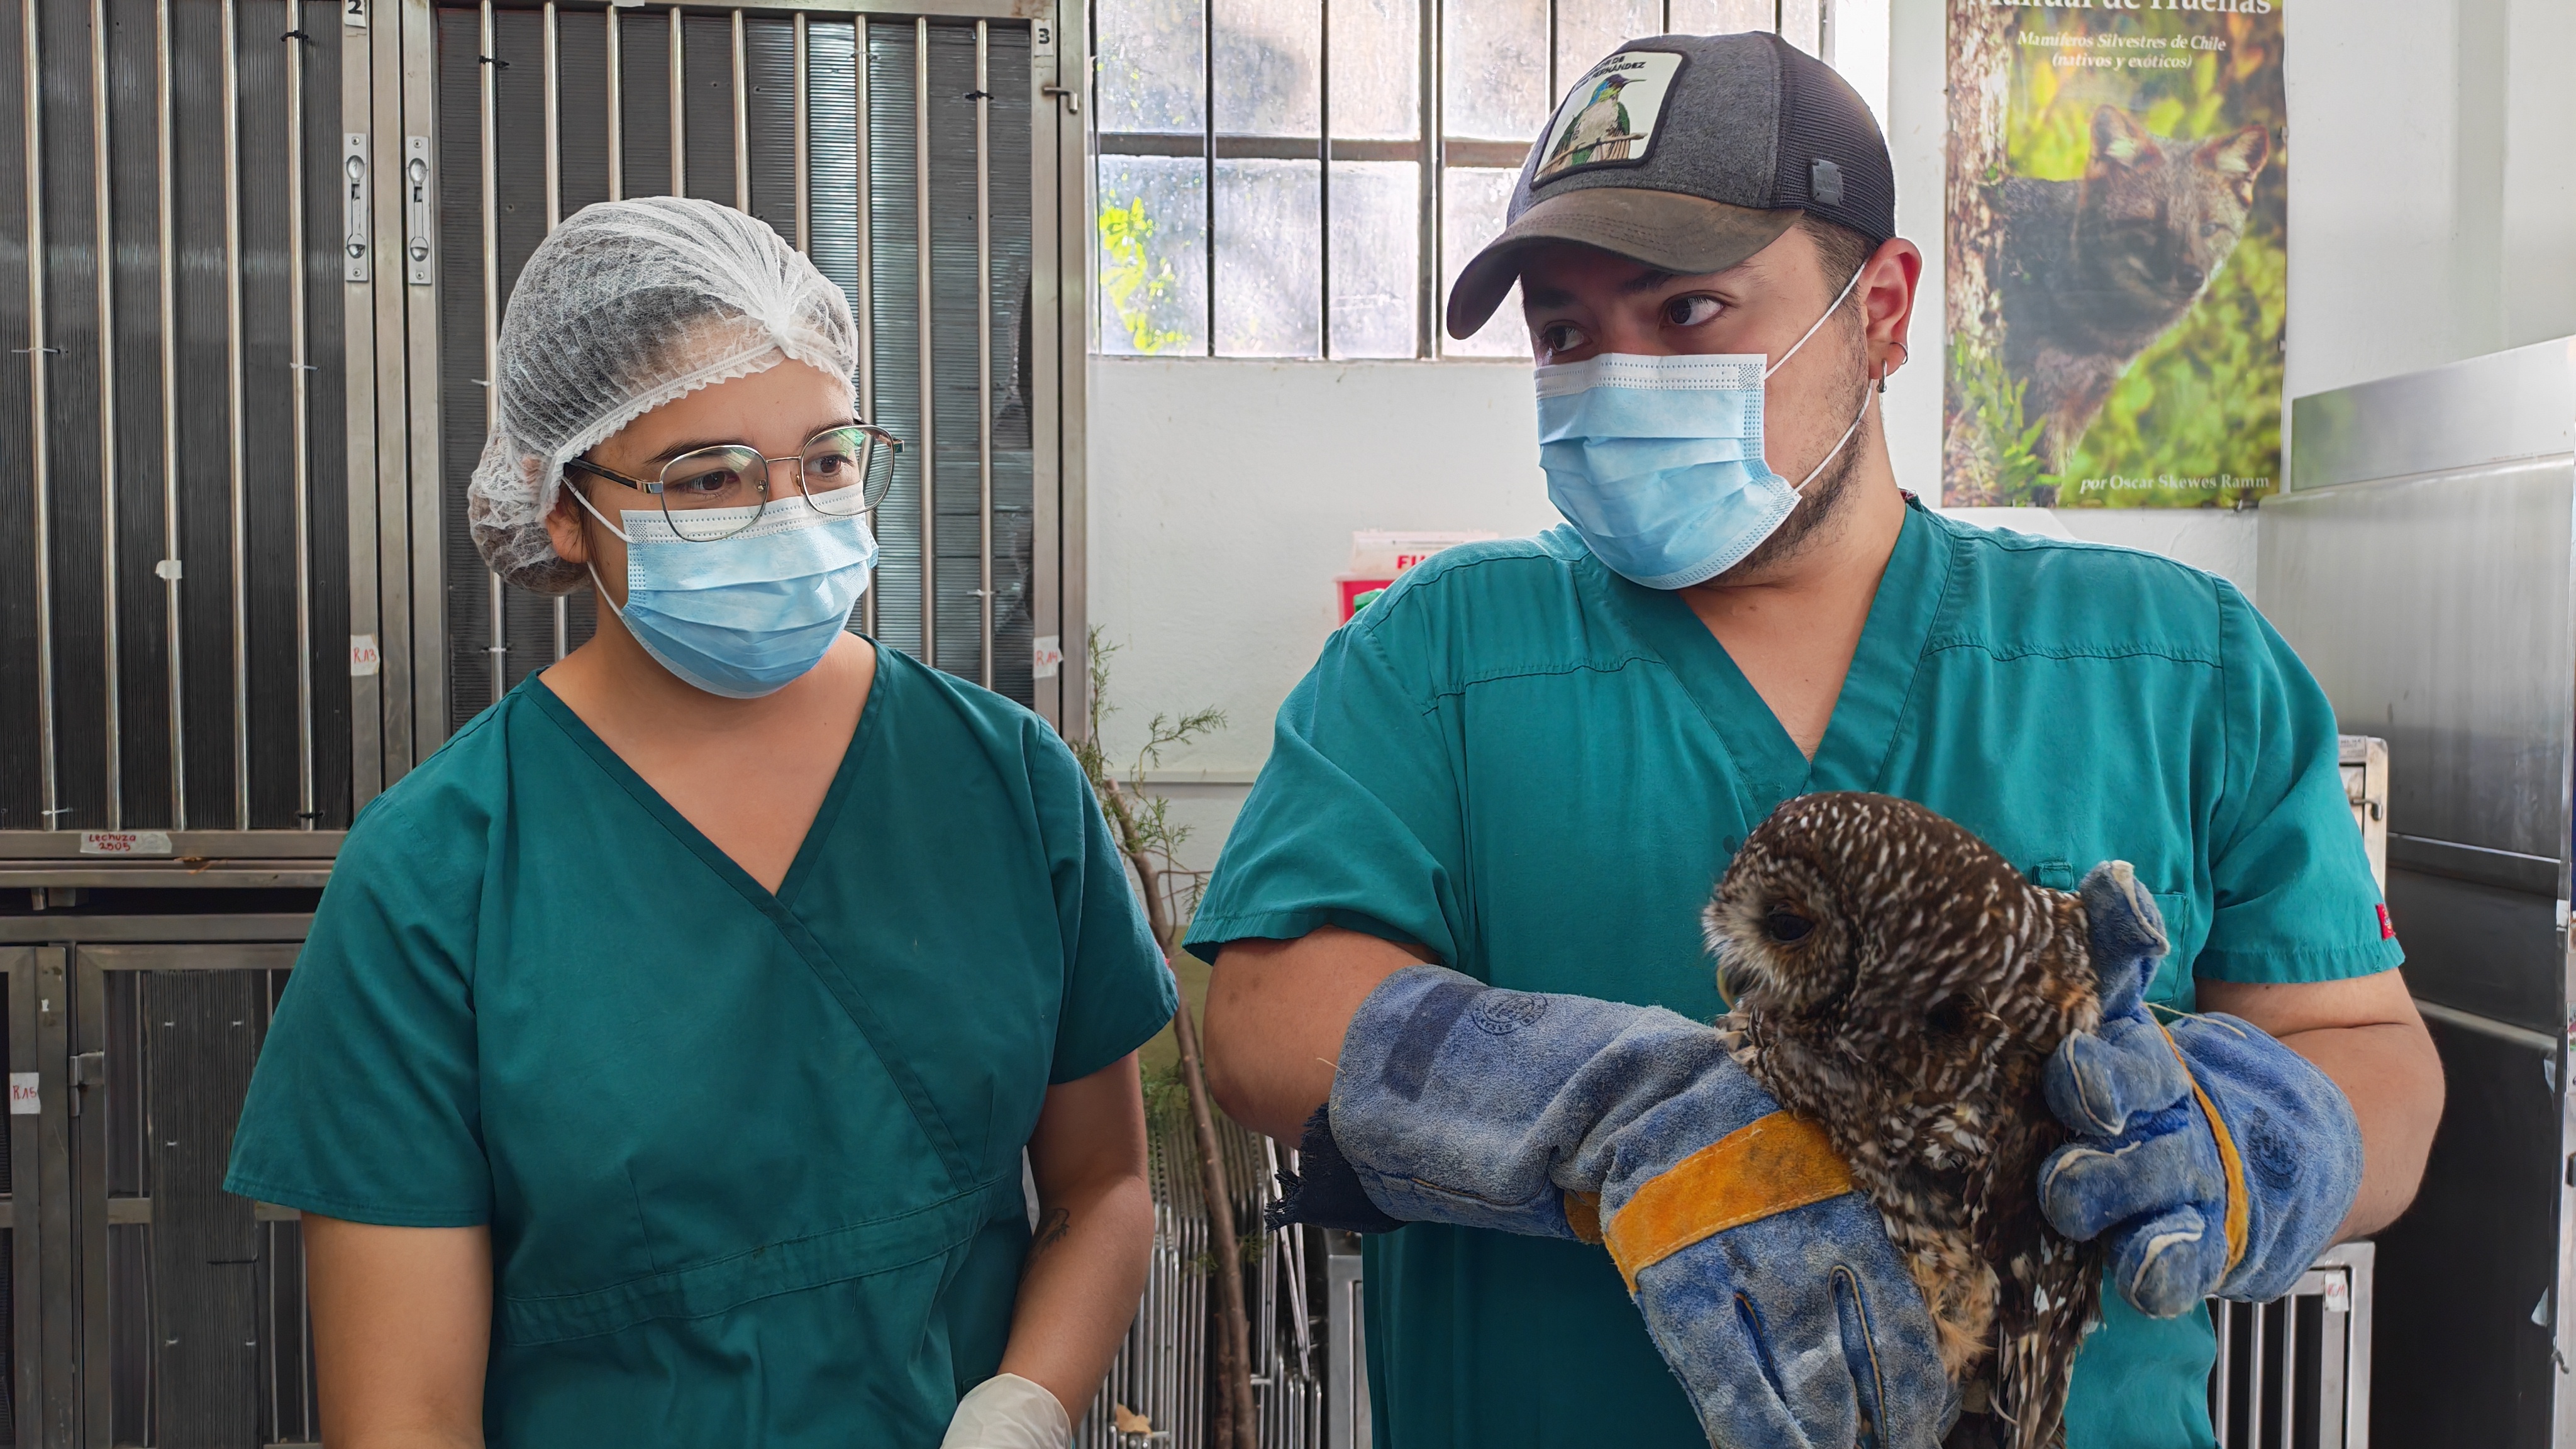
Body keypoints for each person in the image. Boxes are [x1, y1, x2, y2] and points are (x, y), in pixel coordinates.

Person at [1196, 31, 2442, 1448]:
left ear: (1884, 310)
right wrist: (1612, 1114)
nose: (1613, 378)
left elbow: (2372, 1059)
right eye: (1562, 335)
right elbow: (1260, 1017)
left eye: (1684, 313)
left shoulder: (2173, 665)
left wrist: (2242, 1141)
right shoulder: (1436, 655)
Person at [223, 197, 1175, 1449]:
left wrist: (1023, 1405)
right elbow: (404, 1411)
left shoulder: (1003, 783)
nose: (788, 516)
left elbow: (1100, 1187)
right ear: (563, 507)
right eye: (708, 478)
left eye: (825, 459)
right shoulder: (438, 870)